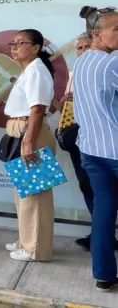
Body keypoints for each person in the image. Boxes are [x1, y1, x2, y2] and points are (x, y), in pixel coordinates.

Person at [73, 6, 118, 292]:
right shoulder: (112, 63)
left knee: (103, 211)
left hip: (90, 148)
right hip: (114, 149)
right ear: (96, 34)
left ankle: (103, 274)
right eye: (116, 29)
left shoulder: (82, 61)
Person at [2, 29, 56, 263]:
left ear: (35, 48)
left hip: (30, 134)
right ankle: (26, 240)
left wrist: (28, 142)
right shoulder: (28, 71)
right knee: (24, 193)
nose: (14, 47)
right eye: (13, 43)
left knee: (35, 195)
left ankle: (37, 249)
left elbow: (37, 109)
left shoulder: (36, 70)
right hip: (21, 132)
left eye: (21, 43)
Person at [58, 34, 115, 251]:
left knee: (104, 194)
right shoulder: (76, 72)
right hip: (80, 139)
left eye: (85, 46)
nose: (82, 51)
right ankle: (100, 236)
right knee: (88, 187)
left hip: (105, 143)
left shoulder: (105, 68)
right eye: (79, 48)